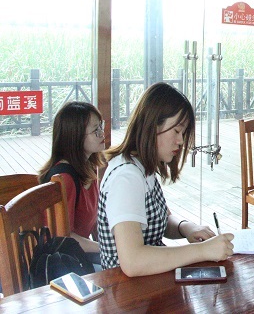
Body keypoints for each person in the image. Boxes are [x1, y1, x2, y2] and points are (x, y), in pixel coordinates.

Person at [97, 82, 233, 277]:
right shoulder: (126, 178)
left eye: (183, 133)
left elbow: (161, 219)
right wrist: (202, 250)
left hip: (150, 282)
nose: (181, 141)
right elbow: (133, 261)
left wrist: (187, 228)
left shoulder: (142, 168)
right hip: (125, 290)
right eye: (176, 131)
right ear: (152, 126)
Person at [38, 102, 106, 260]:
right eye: (95, 130)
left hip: (80, 254)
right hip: (63, 261)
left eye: (101, 126)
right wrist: (106, 248)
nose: (102, 133)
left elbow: (95, 222)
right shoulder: (64, 178)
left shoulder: (88, 167)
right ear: (75, 136)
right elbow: (64, 237)